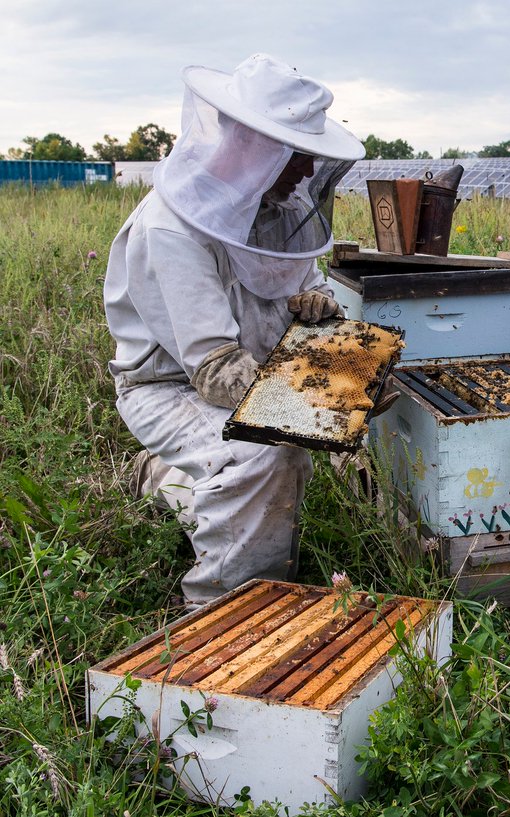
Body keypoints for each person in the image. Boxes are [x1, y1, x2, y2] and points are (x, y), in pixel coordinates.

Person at [103, 54, 365, 608]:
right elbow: (216, 369)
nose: (306, 172)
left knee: (284, 448)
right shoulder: (169, 228)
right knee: (267, 455)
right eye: (295, 155)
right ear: (253, 148)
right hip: (168, 386)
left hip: (254, 370)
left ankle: (167, 479)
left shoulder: (277, 209)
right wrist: (328, 407)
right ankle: (224, 608)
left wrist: (321, 315)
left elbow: (306, 284)